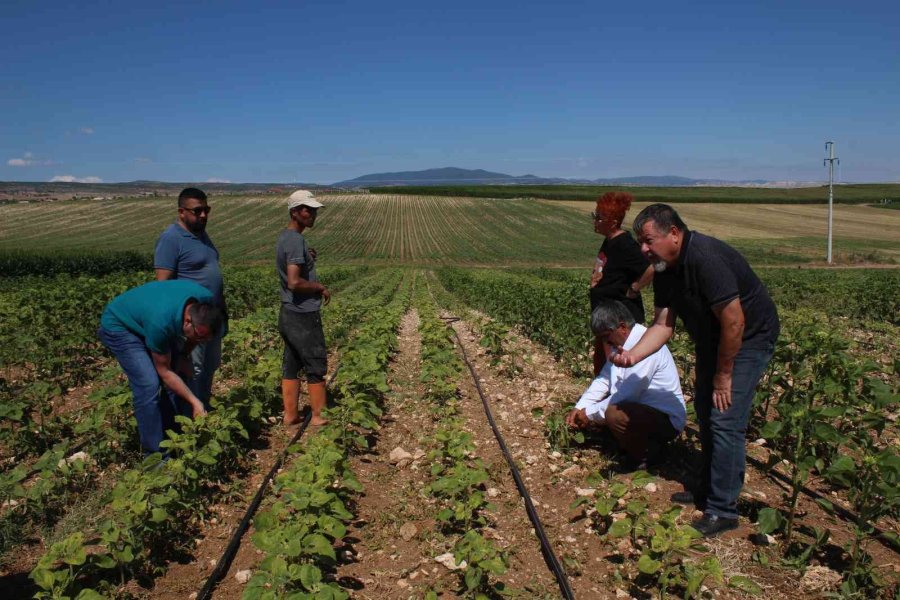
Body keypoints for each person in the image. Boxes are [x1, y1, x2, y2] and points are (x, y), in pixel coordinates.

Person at [610, 203, 780, 537]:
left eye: (648, 240)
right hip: (713, 337)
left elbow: (735, 321)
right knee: (704, 410)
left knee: (724, 417)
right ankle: (707, 487)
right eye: (640, 242)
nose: (643, 249)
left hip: (747, 337)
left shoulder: (706, 259)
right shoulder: (663, 267)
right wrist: (632, 355)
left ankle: (723, 509)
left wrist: (724, 374)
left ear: (674, 233)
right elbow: (663, 324)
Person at [98, 280, 225, 455]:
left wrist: (184, 355)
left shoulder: (206, 302)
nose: (202, 342)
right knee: (148, 383)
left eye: (206, 338)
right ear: (187, 322)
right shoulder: (161, 324)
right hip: (121, 326)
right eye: (200, 336)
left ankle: (174, 434)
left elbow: (196, 336)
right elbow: (165, 372)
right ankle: (154, 455)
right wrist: (196, 402)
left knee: (177, 373)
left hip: (151, 314)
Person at [566, 300, 685, 469]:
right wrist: (581, 407)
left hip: (665, 419)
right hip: (641, 409)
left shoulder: (646, 345)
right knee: (605, 411)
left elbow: (628, 394)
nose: (605, 343)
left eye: (606, 336)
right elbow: (605, 378)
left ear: (622, 327)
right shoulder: (621, 345)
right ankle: (630, 443)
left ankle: (648, 455)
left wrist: (589, 414)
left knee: (614, 414)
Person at [154, 187, 226, 412]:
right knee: (191, 368)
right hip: (192, 322)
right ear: (181, 212)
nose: (203, 215)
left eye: (206, 210)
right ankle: (187, 419)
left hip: (212, 317)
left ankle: (202, 408)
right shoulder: (171, 238)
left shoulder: (202, 235)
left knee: (209, 366)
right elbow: (163, 285)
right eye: (197, 211)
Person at [276, 189, 331, 426]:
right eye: (308, 210)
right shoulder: (295, 240)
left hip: (288, 312)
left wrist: (307, 257)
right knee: (315, 362)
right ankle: (319, 416)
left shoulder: (286, 238)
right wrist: (319, 287)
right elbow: (294, 281)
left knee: (292, 362)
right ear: (295, 212)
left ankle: (290, 415)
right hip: (303, 314)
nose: (312, 215)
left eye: (314, 210)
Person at [588, 191, 655, 375]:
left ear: (613, 222)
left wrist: (635, 288)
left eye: (599, 217)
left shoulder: (625, 244)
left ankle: (614, 402)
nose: (595, 220)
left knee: (617, 368)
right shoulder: (610, 241)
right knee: (604, 366)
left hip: (620, 323)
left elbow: (652, 267)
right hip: (607, 319)